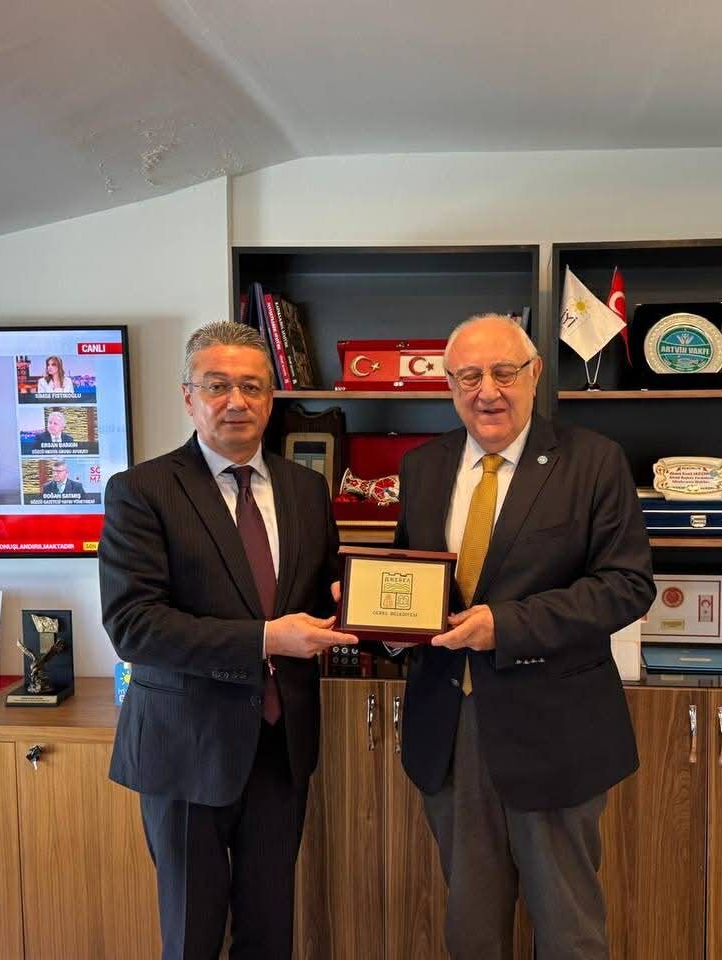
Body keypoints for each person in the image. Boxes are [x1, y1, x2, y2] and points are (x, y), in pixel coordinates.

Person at [392, 313, 655, 959]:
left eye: (504, 372)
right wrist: (378, 618)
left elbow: (626, 585)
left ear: (535, 374)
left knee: (568, 932)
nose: (487, 391)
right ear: (449, 385)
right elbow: (413, 575)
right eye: (468, 376)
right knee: (471, 931)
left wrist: (506, 626)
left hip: (555, 733)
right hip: (449, 730)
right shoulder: (422, 467)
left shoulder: (593, 461)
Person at [99, 320, 355, 960]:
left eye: (252, 386)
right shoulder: (142, 491)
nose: (235, 401)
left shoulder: (305, 489)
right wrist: (265, 639)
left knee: (270, 934)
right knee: (192, 936)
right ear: (188, 397)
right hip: (185, 749)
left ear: (271, 399)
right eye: (217, 386)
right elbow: (134, 624)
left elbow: (324, 590)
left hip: (280, 748)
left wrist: (362, 608)